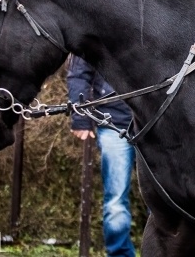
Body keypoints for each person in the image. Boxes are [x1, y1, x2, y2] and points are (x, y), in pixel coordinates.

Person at [67, 56, 136, 257]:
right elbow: (79, 72)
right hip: (113, 123)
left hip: (155, 122)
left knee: (161, 201)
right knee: (115, 200)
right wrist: (80, 118)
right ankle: (120, 254)